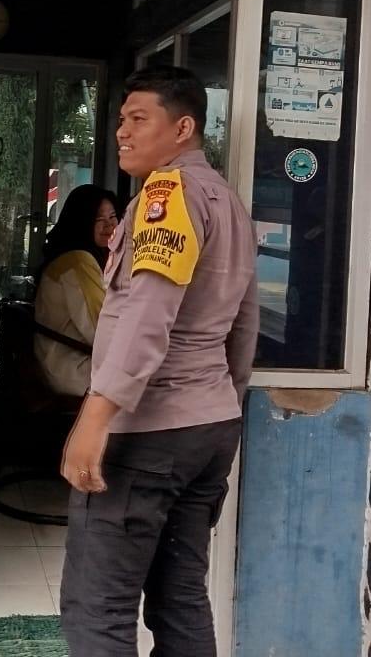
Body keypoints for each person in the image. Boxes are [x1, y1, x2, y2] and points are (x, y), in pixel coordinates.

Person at [59, 66, 259, 657]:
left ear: (183, 128)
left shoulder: (166, 196)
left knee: (98, 609)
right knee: (179, 597)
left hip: (150, 431)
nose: (122, 131)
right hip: (209, 424)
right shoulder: (228, 201)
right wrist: (222, 402)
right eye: (121, 119)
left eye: (138, 118)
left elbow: (148, 311)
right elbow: (244, 324)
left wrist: (96, 417)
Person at [33, 185, 120, 397]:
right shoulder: (78, 261)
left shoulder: (78, 254)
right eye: (99, 219)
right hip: (72, 367)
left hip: (58, 360)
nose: (109, 225)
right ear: (82, 220)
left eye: (113, 216)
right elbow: (101, 330)